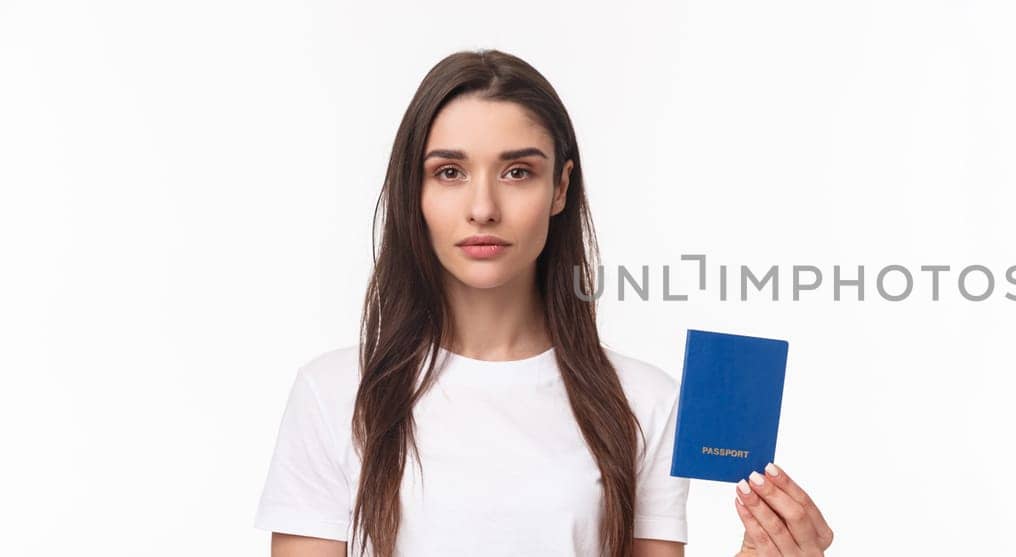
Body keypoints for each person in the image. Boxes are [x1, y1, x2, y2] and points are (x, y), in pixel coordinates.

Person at [252, 49, 834, 557]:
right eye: (450, 171)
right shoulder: (333, 394)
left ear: (559, 188)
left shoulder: (643, 402)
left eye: (517, 171)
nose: (482, 207)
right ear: (415, 190)